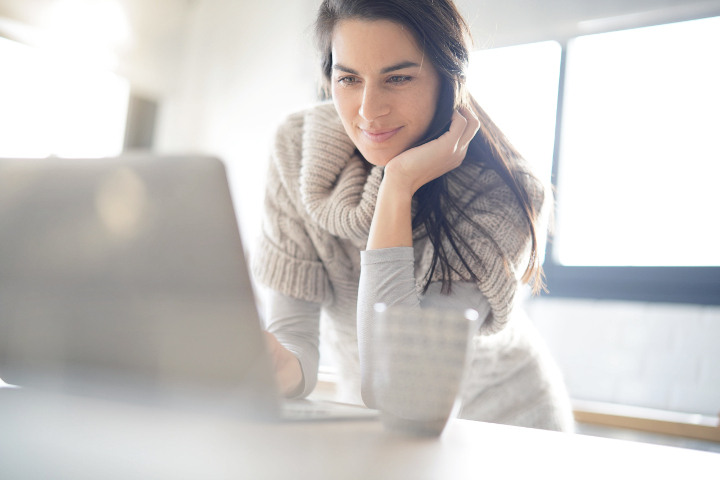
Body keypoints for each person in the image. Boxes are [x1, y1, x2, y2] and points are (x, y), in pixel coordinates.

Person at [253, 0, 574, 432]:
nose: (368, 110)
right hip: (379, 428)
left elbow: (402, 393)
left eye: (398, 78)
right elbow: (297, 342)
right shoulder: (297, 150)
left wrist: (398, 184)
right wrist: (273, 363)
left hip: (505, 426)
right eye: (349, 78)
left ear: (449, 78)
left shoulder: (503, 195)